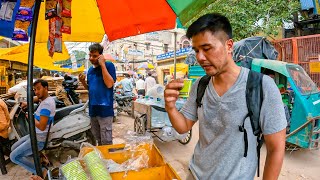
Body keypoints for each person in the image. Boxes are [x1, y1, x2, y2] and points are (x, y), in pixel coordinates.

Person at [164, 13, 287, 180]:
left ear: (229, 46)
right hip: (195, 174)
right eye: (196, 50)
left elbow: (276, 149)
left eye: (207, 49)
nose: (200, 57)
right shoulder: (200, 85)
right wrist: (170, 106)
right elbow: (183, 126)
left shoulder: (262, 86)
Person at [10, 79, 55, 177]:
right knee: (13, 147)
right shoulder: (46, 99)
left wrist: (31, 118)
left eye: (38, 89)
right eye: (35, 89)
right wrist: (27, 102)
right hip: (34, 135)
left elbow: (42, 127)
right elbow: (37, 98)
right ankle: (41, 158)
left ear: (46, 88)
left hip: (39, 139)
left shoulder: (46, 105)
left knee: (13, 157)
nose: (37, 92)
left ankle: (41, 170)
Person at [79, 43, 116, 145]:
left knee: (106, 141)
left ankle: (108, 160)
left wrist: (103, 65)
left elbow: (109, 84)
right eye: (90, 55)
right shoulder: (90, 70)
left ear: (101, 56)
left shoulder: (109, 66)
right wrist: (82, 82)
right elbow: (90, 89)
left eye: (94, 56)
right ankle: (101, 160)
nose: (91, 58)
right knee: (97, 140)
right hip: (93, 110)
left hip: (105, 111)